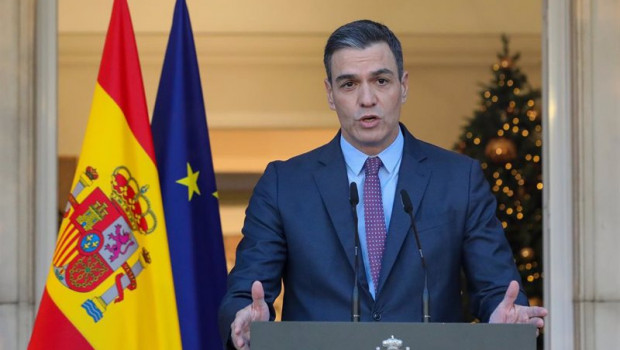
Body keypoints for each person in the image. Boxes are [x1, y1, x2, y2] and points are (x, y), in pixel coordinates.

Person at [218, 19, 547, 350]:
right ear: (330, 94)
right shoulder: (284, 184)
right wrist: (244, 317)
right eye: (348, 84)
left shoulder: (459, 179)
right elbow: (246, 291)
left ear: (403, 85)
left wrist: (501, 317)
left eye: (381, 80)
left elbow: (496, 289)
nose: (367, 98)